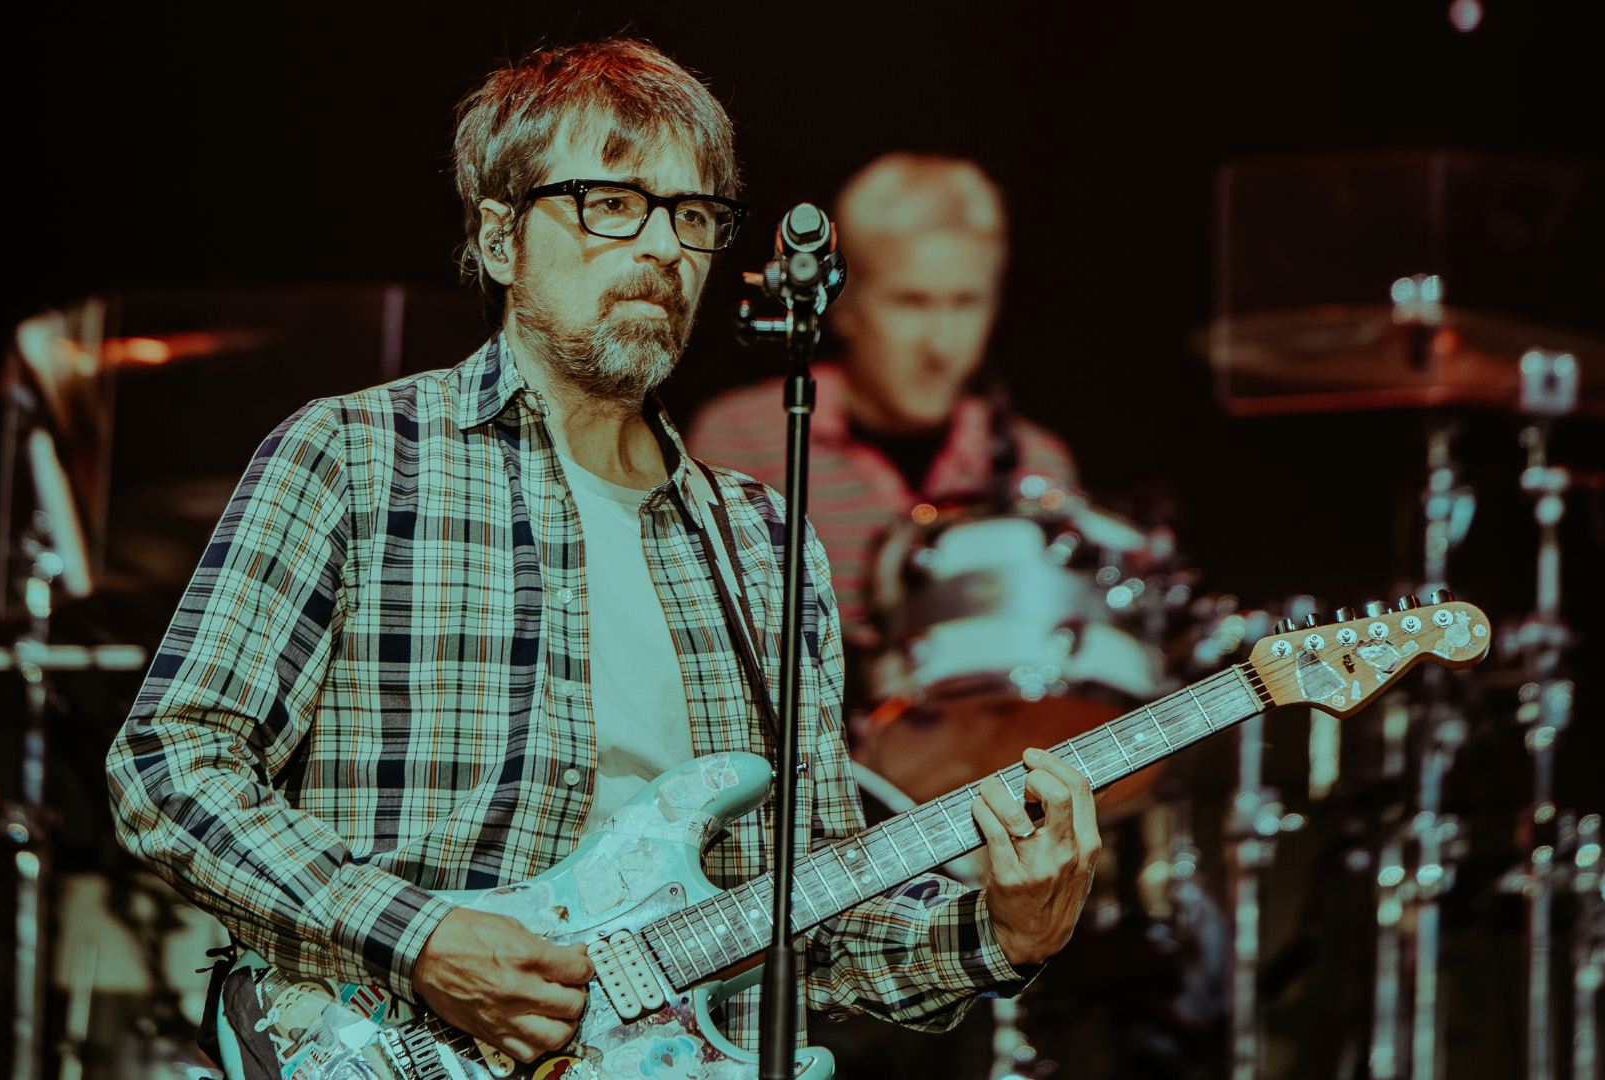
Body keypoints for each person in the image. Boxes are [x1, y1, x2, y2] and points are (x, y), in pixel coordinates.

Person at [106, 39, 1100, 1067]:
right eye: (610, 204)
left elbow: (818, 933)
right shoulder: (359, 455)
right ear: (500, 237)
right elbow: (170, 763)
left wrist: (1003, 929)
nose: (662, 248)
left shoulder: (760, 540)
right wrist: (419, 937)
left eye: (692, 215)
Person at [687, 153, 1079, 649]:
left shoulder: (1036, 464)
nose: (941, 345)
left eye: (966, 303)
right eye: (911, 302)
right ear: (845, 305)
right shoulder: (744, 441)